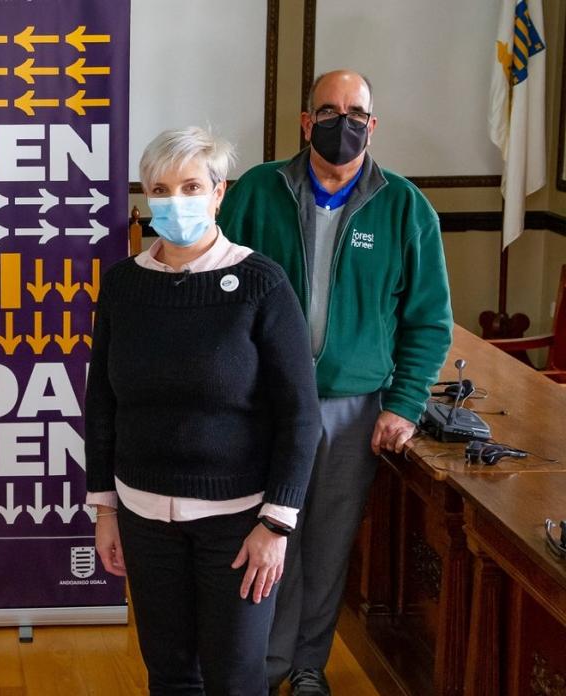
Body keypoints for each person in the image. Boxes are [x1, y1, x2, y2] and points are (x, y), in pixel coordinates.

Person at [218, 70, 453, 696]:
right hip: (263, 403)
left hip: (351, 409)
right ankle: (262, 665)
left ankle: (307, 666)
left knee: (326, 540)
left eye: (354, 113)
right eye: (328, 111)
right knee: (266, 534)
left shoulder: (405, 207)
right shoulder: (258, 191)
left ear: (372, 126)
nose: (340, 123)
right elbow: (219, 289)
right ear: (306, 121)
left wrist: (405, 404)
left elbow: (429, 320)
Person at [86, 127, 322, 695]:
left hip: (240, 523)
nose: (176, 201)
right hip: (143, 515)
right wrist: (105, 510)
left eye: (191, 186)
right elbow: (102, 404)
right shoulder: (122, 285)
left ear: (218, 193)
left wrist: (276, 524)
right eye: (160, 189)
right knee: (169, 676)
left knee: (235, 678)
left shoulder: (262, 284)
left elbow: (300, 416)